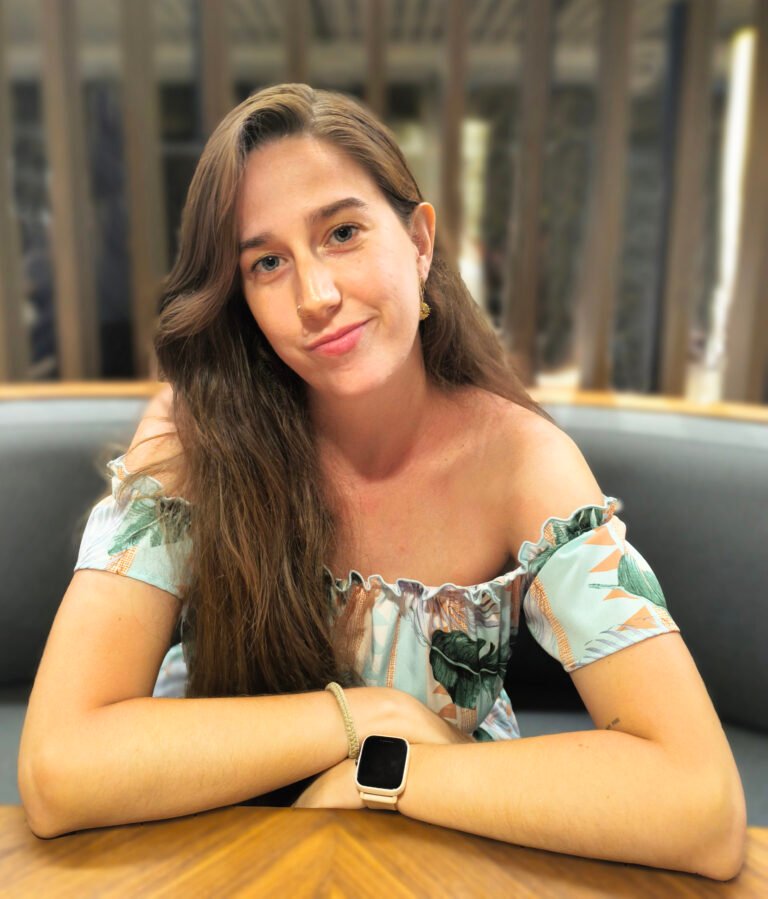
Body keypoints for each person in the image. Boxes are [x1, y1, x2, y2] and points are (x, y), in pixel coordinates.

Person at [18, 83, 745, 880]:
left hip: (438, 850)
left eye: (343, 232)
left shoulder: (520, 461)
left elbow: (701, 803)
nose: (316, 297)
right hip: (216, 854)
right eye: (267, 262)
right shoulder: (197, 437)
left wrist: (380, 775)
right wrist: (369, 716)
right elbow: (59, 767)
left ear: (420, 241)